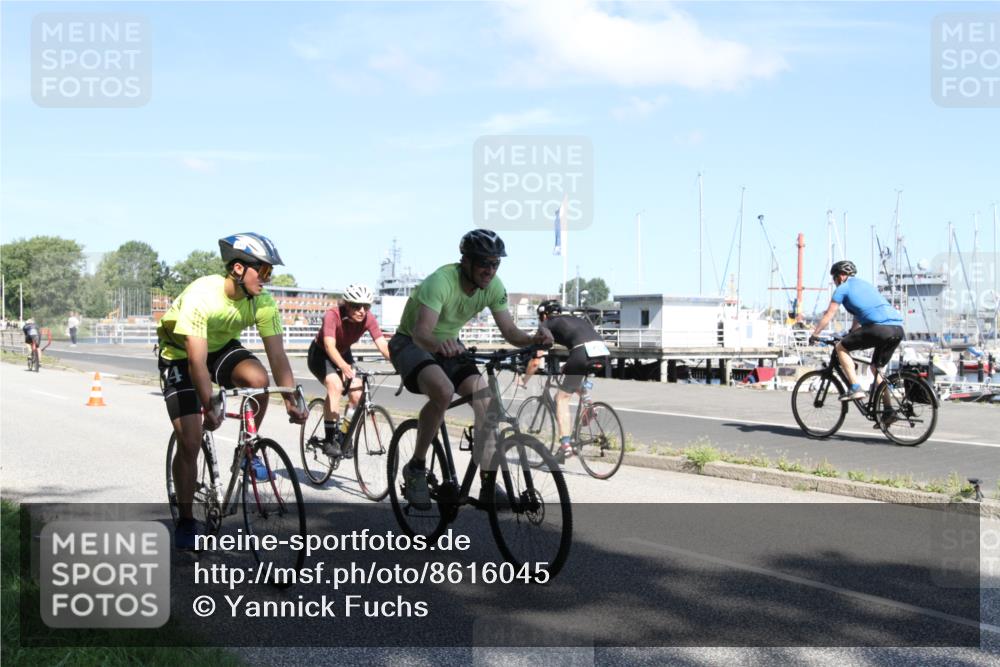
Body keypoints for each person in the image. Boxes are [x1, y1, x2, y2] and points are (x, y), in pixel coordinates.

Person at [157, 233, 308, 550]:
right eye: (264, 271)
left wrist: (291, 398)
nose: (268, 279)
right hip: (181, 354)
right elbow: (196, 361)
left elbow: (278, 356)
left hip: (219, 346)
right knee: (190, 439)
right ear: (238, 269)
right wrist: (210, 401)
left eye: (270, 273)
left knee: (259, 381)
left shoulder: (262, 302)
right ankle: (186, 520)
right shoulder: (203, 295)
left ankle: (246, 451)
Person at [388, 229, 553, 510]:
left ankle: (489, 484)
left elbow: (510, 331)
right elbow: (422, 333)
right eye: (483, 263)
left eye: (495, 263)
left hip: (453, 345)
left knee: (487, 402)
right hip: (412, 343)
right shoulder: (440, 282)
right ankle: (416, 467)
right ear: (465, 261)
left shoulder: (494, 287)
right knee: (443, 390)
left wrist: (532, 339)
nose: (489, 270)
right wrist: (440, 345)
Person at [307, 283, 391, 458]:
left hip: (344, 353)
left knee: (357, 394)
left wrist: (401, 363)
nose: (362, 310)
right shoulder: (333, 315)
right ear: (346, 304)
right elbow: (329, 346)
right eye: (356, 306)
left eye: (366, 306)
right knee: (335, 385)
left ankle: (344, 434)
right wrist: (344, 367)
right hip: (321, 354)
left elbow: (383, 345)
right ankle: (330, 439)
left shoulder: (368, 318)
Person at [522, 301, 610, 462]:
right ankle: (588, 405)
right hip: (602, 352)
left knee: (561, 398)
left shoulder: (546, 324)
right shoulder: (575, 319)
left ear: (544, 315)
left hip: (582, 352)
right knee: (572, 376)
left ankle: (565, 445)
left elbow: (536, 360)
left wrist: (523, 380)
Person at [810, 260, 905, 404]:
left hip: (878, 328)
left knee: (840, 347)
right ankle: (888, 410)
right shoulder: (866, 285)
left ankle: (855, 387)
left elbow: (829, 314)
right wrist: (852, 332)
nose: (835, 282)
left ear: (841, 276)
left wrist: (815, 334)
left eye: (834, 278)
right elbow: (859, 312)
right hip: (897, 329)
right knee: (876, 369)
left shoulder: (843, 288)